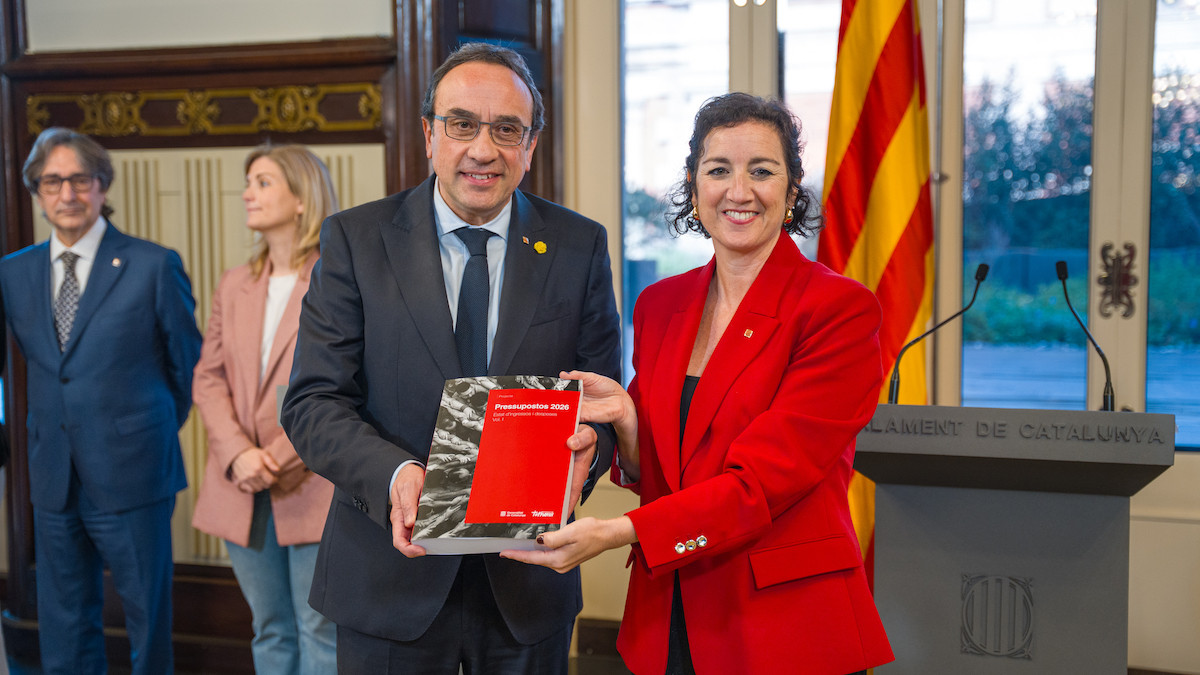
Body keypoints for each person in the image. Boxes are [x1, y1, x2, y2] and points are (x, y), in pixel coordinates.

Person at [503, 93, 896, 675]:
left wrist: (616, 532)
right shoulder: (661, 304)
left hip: (783, 625)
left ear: (791, 193)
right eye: (718, 170)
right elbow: (666, 472)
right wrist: (628, 424)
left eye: (762, 171)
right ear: (693, 186)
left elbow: (758, 486)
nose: (739, 190)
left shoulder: (839, 310)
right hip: (669, 619)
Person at [279, 42, 621, 674]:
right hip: (389, 575)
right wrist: (395, 476)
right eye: (462, 124)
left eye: (506, 129)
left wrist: (590, 454)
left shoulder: (578, 245)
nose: (482, 149)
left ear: (530, 146)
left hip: (528, 580)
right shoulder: (356, 240)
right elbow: (312, 403)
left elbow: (600, 396)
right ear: (430, 135)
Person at [0, 128, 202, 675]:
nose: (66, 193)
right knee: (64, 621)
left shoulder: (153, 265)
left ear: (101, 185)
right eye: (52, 182)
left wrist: (146, 431)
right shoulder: (13, 273)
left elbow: (188, 368)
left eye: (78, 180)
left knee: (146, 619)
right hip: (52, 476)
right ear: (36, 192)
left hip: (134, 474)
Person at [190, 144, 339, 674]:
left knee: (319, 629)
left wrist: (278, 456)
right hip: (241, 482)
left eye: (262, 182)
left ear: (302, 198)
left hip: (311, 481)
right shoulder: (235, 282)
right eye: (247, 182)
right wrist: (238, 455)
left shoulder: (337, 280)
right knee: (269, 629)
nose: (247, 193)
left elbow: (350, 385)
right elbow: (207, 379)